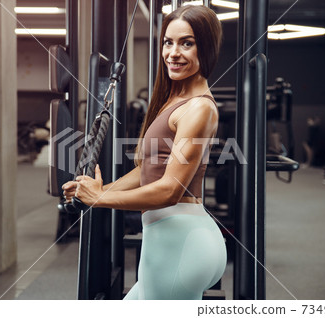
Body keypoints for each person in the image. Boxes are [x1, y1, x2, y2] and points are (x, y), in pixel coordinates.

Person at [63, 5, 226, 300]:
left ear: (207, 47)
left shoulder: (199, 107)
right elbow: (148, 170)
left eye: (187, 43)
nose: (173, 53)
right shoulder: (176, 97)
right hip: (173, 241)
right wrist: (99, 190)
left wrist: (100, 199)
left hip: (179, 244)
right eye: (168, 42)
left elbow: (169, 190)